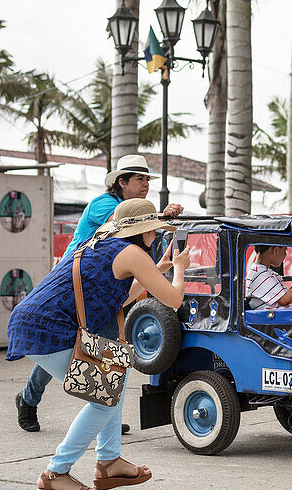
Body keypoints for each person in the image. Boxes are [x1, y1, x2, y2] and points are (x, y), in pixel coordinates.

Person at [6, 199, 190, 490]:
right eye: (154, 231)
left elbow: (120, 296)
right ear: (143, 231)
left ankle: (109, 462)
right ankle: (55, 474)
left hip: (34, 319)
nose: (156, 237)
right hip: (46, 326)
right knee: (103, 398)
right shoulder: (131, 252)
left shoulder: (104, 241)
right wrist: (180, 270)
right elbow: (173, 300)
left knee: (112, 379)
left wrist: (158, 269)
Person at [15, 153, 183, 434]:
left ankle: (106, 417)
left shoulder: (131, 210)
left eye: (147, 180)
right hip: (75, 288)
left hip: (102, 288)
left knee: (108, 353)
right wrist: (160, 216)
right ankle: (30, 400)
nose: (145, 185)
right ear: (121, 182)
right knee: (65, 346)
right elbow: (126, 227)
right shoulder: (106, 205)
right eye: (139, 179)